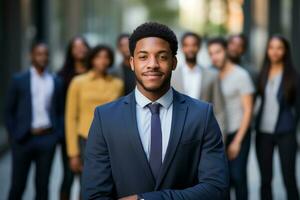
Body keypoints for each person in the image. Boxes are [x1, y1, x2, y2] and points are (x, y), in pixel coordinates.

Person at [83, 22, 229, 200]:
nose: (153, 64)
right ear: (132, 62)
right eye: (143, 57)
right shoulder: (105, 118)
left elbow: (217, 189)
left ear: (174, 62)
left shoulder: (201, 115)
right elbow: (94, 194)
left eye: (162, 57)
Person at [5, 42, 63, 200]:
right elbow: (8, 111)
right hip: (24, 139)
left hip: (47, 138)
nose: (43, 57)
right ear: (31, 55)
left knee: (42, 186)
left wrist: (57, 135)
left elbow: (59, 111)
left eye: (45, 54)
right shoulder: (19, 80)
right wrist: (14, 135)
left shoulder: (55, 81)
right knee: (18, 185)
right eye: (39, 54)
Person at [65, 44, 124, 198]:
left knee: (107, 184)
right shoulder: (78, 82)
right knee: (87, 184)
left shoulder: (117, 84)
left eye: (106, 57)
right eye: (98, 57)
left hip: (111, 140)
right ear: (92, 59)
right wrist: (73, 154)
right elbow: (71, 118)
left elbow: (120, 115)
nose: (102, 61)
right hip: (84, 139)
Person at [208, 37, 254, 200]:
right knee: (222, 181)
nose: (215, 57)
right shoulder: (210, 75)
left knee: (238, 177)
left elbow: (248, 109)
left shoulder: (241, 75)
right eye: (211, 54)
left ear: (226, 51)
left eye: (218, 52)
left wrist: (237, 141)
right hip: (218, 135)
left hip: (238, 132)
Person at [255, 35, 300, 200]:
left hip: (285, 132)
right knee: (265, 180)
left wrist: (293, 127)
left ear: (285, 51)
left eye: (279, 47)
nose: (275, 51)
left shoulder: (294, 76)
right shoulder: (262, 72)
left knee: (289, 179)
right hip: (263, 132)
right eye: (271, 47)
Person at [172, 32, 226, 134]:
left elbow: (219, 110)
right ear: (182, 48)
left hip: (204, 130)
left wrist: (221, 138)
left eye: (194, 45)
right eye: (187, 45)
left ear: (199, 47)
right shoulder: (173, 76)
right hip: (178, 131)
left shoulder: (212, 75)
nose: (190, 49)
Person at [58, 36, 90, 200]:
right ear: (70, 51)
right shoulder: (62, 76)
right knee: (69, 175)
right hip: (68, 133)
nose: (80, 49)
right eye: (76, 47)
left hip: (87, 133)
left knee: (86, 179)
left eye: (83, 46)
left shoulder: (96, 73)